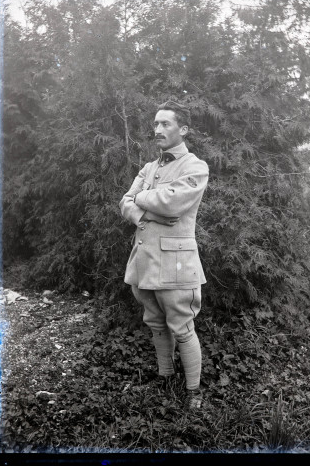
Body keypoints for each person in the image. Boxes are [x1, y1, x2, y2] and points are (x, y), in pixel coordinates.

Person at [119, 100, 209, 410]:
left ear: (183, 130)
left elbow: (172, 205)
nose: (157, 129)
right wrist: (145, 212)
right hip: (144, 260)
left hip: (175, 263)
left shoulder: (195, 167)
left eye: (165, 124)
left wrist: (141, 199)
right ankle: (166, 376)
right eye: (156, 124)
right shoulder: (148, 168)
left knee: (181, 326)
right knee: (155, 322)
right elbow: (125, 203)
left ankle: (194, 391)